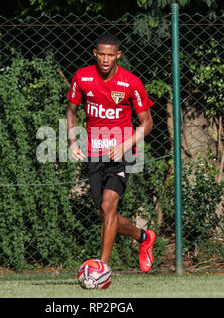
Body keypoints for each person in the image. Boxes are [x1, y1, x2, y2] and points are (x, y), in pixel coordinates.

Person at [65, 33, 156, 272]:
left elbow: (147, 123)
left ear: (118, 55)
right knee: (104, 214)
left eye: (110, 55)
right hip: (94, 154)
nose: (106, 59)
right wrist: (73, 141)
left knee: (108, 206)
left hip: (122, 154)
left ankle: (102, 267)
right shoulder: (82, 77)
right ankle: (144, 237)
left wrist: (125, 146)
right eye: (101, 54)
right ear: (95, 54)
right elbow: (72, 111)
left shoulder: (131, 82)